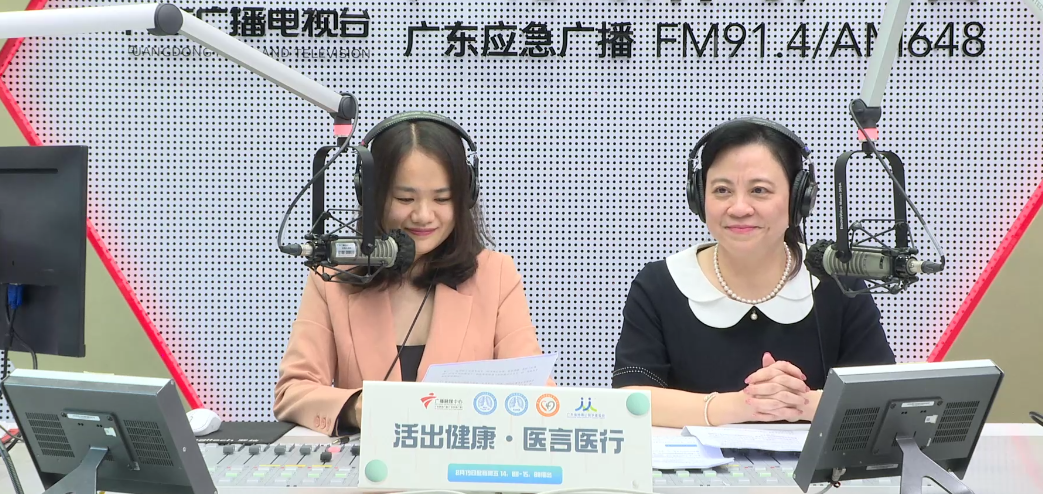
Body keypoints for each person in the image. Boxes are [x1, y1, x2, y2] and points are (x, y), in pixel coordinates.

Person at [612, 117, 896, 429]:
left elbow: (882, 399)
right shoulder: (661, 283)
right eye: (722, 190)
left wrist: (803, 403)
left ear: (799, 199)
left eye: (759, 190)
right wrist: (739, 405)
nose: (739, 208)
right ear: (699, 197)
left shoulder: (835, 279)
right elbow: (632, 400)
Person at [274, 112, 546, 435]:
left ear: (465, 196)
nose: (424, 215)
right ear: (371, 195)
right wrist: (358, 408)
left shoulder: (496, 275)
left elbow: (536, 394)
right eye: (405, 198)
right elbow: (293, 391)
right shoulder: (332, 277)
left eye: (442, 198)